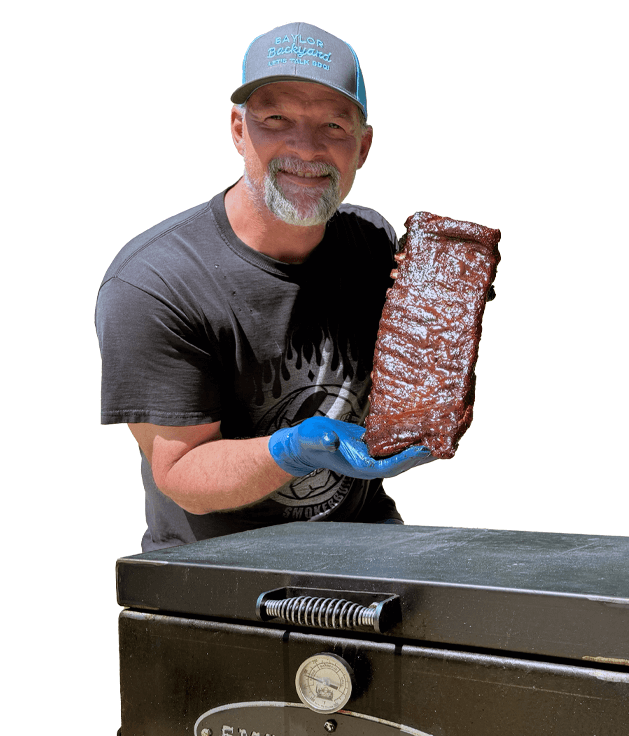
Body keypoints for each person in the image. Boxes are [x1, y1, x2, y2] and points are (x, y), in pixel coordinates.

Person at [96, 22, 431, 551]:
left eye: (333, 125)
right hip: (217, 571)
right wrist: (291, 449)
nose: (306, 148)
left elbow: (414, 380)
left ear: (363, 147)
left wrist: (444, 328)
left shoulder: (372, 244)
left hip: (364, 548)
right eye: (276, 119)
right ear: (238, 129)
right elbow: (180, 474)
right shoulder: (157, 283)